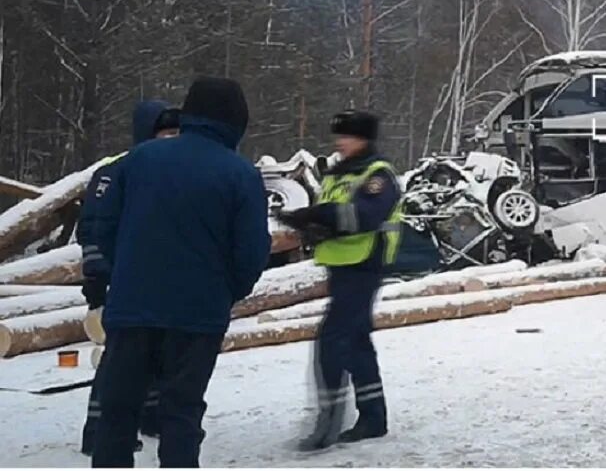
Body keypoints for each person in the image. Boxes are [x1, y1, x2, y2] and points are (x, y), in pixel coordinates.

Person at [90, 77, 271, 468]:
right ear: (236, 120)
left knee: (118, 413)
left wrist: (125, 270)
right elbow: (253, 251)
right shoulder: (241, 174)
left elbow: (101, 228)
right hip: (197, 315)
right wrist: (227, 291)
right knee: (181, 415)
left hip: (132, 306)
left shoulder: (138, 160)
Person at [277, 110, 404, 452]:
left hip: (365, 264)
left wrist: (317, 215)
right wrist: (308, 225)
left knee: (332, 340)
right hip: (343, 264)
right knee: (356, 340)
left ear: (364, 138)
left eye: (346, 136)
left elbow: (362, 216)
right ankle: (372, 417)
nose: (339, 142)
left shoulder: (378, 175)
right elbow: (336, 217)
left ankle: (328, 423)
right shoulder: (341, 173)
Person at [78, 100, 180, 456]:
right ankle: (97, 427)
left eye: (176, 135)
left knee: (159, 351)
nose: (171, 141)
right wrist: (98, 281)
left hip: (158, 279)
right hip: (121, 280)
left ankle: (150, 415)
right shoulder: (113, 173)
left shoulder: (171, 173)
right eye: (165, 134)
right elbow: (93, 230)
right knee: (118, 360)